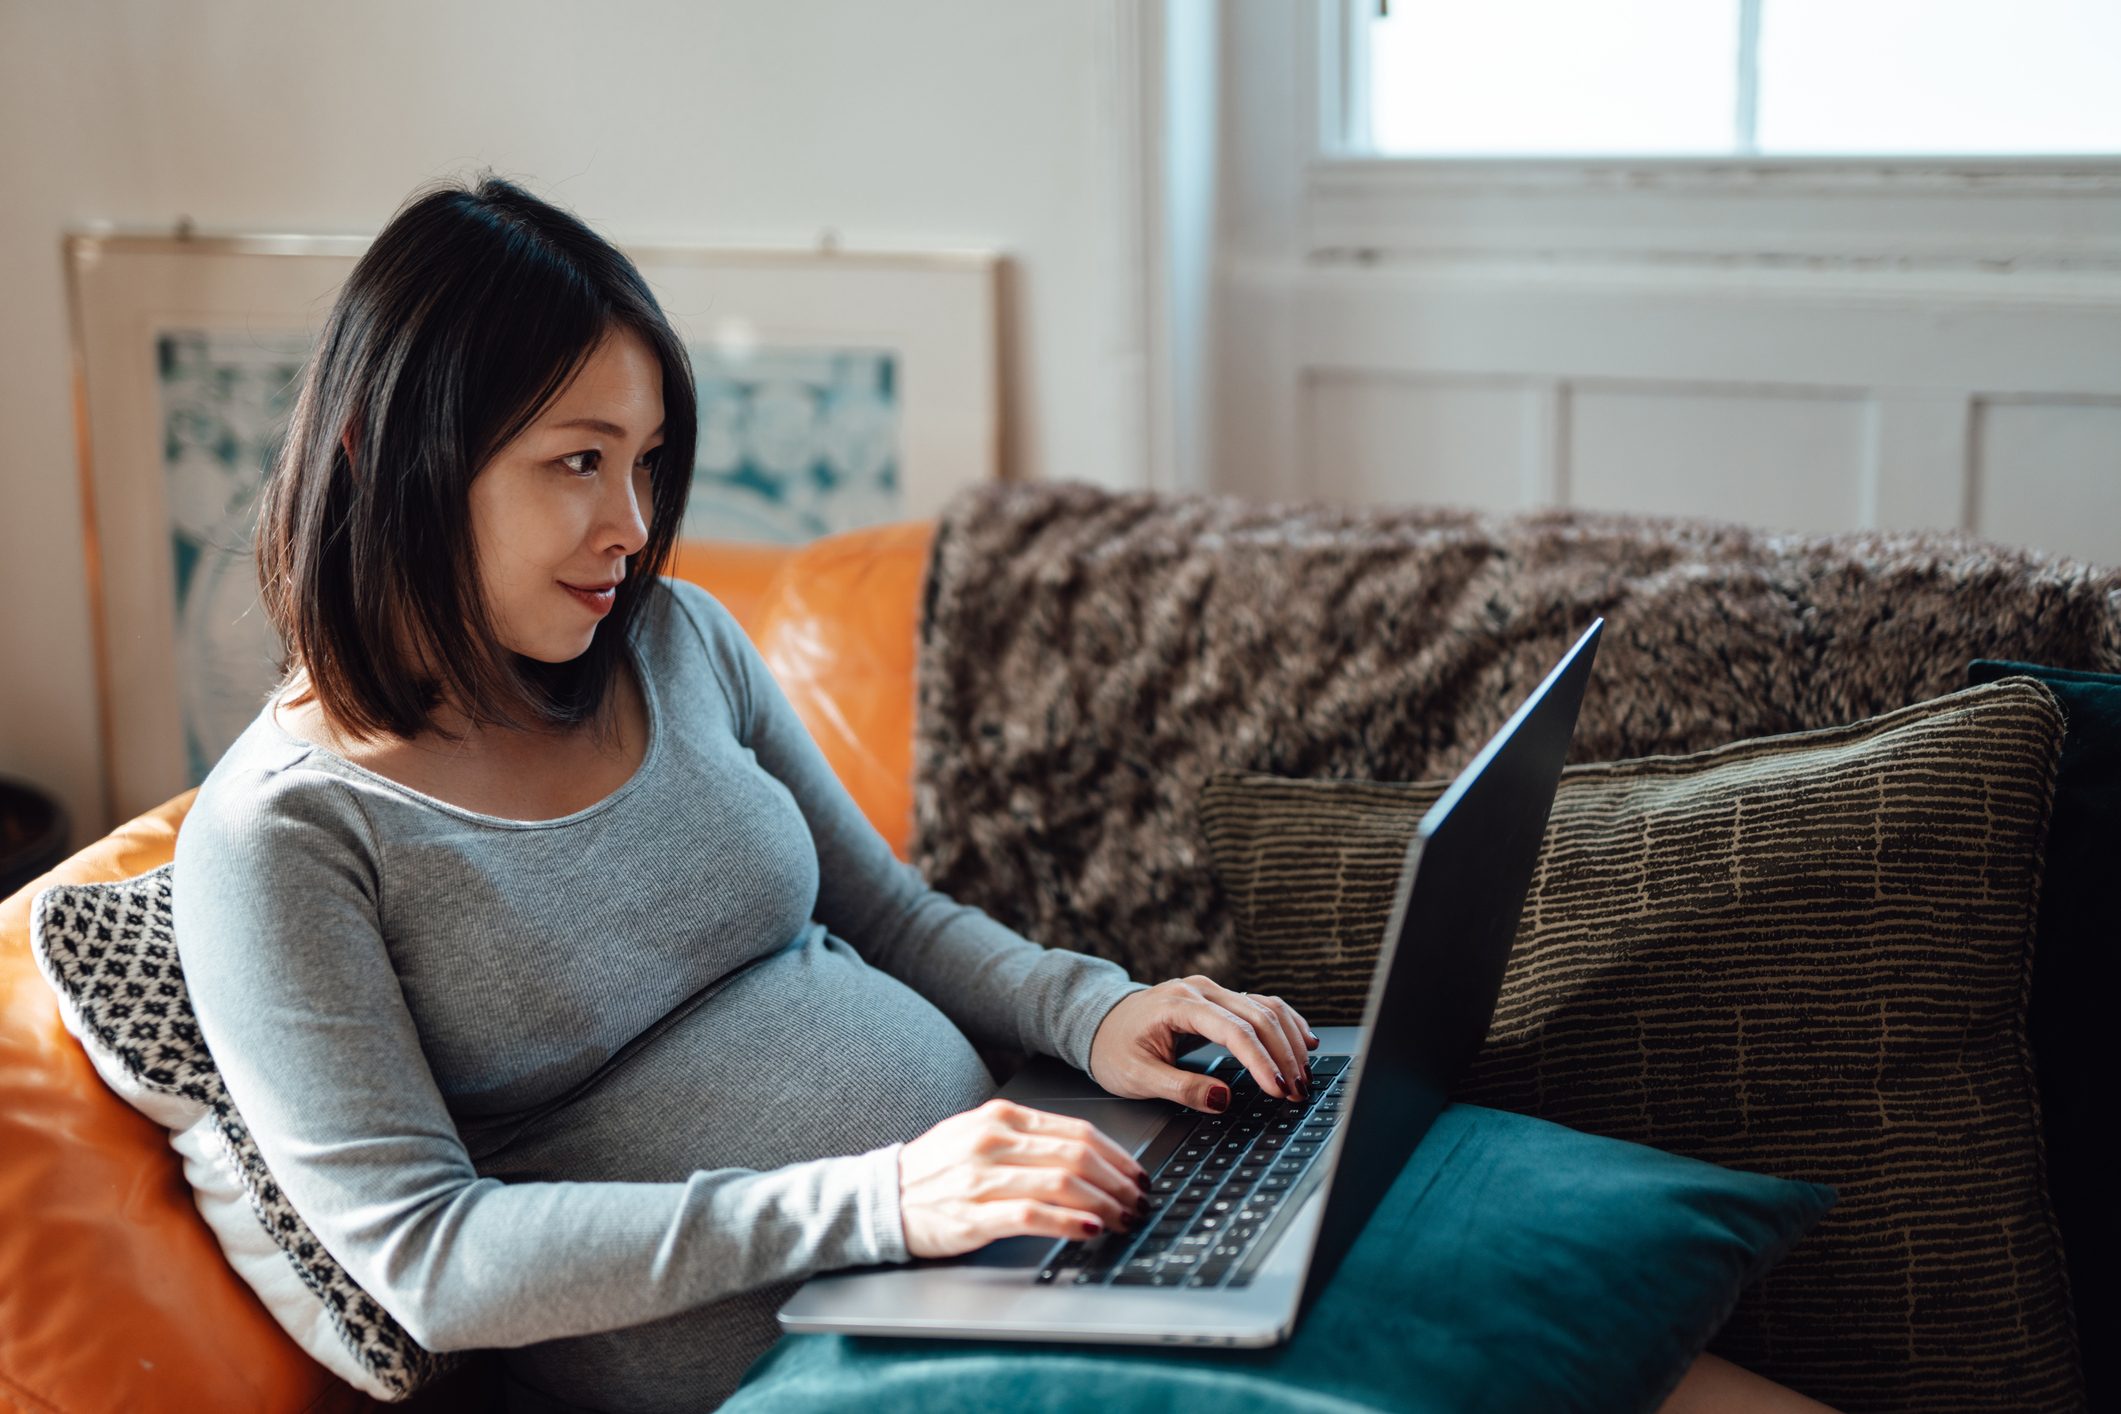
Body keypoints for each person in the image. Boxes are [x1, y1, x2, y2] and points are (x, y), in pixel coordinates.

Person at [172, 173, 1831, 1414]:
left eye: (647, 457)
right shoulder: (286, 839)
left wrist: (1093, 1011)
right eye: (575, 461)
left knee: (1528, 1295)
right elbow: (430, 1258)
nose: (632, 521)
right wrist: (883, 1199)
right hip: (814, 1351)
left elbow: (886, 912)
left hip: (1009, 1237)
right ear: (388, 456)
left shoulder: (668, 644)